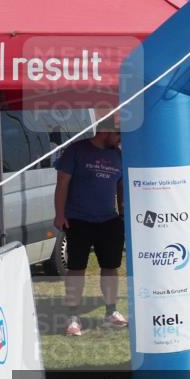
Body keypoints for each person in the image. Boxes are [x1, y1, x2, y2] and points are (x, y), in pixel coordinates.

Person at [54, 118, 127, 336]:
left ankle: (111, 312)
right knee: (76, 269)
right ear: (105, 131)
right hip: (78, 219)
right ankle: (73, 317)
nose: (120, 140)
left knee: (111, 267)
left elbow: (121, 185)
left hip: (109, 221)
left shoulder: (118, 155)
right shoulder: (76, 150)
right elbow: (62, 184)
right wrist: (59, 214)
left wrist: (122, 213)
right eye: (118, 135)